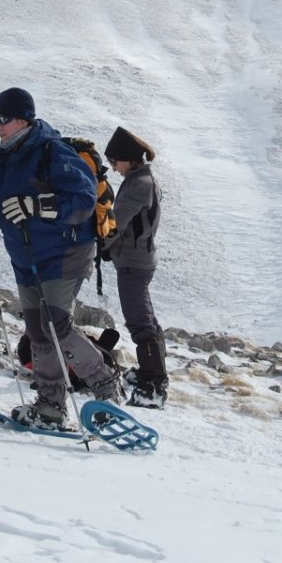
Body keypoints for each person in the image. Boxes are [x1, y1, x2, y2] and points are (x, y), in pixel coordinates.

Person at [0, 88, 121, 431]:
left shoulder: (53, 152)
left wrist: (38, 207)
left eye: (2, 119)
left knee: (55, 323)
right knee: (38, 330)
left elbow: (82, 200)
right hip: (27, 255)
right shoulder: (5, 158)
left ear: (24, 119)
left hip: (65, 252)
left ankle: (105, 383)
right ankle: (50, 406)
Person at [102, 126, 168, 408]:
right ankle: (153, 375)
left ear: (129, 159)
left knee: (140, 323)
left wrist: (103, 246)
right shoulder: (144, 179)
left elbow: (115, 223)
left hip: (133, 263)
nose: (114, 169)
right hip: (140, 259)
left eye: (115, 162)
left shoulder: (138, 185)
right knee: (148, 319)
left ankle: (152, 387)